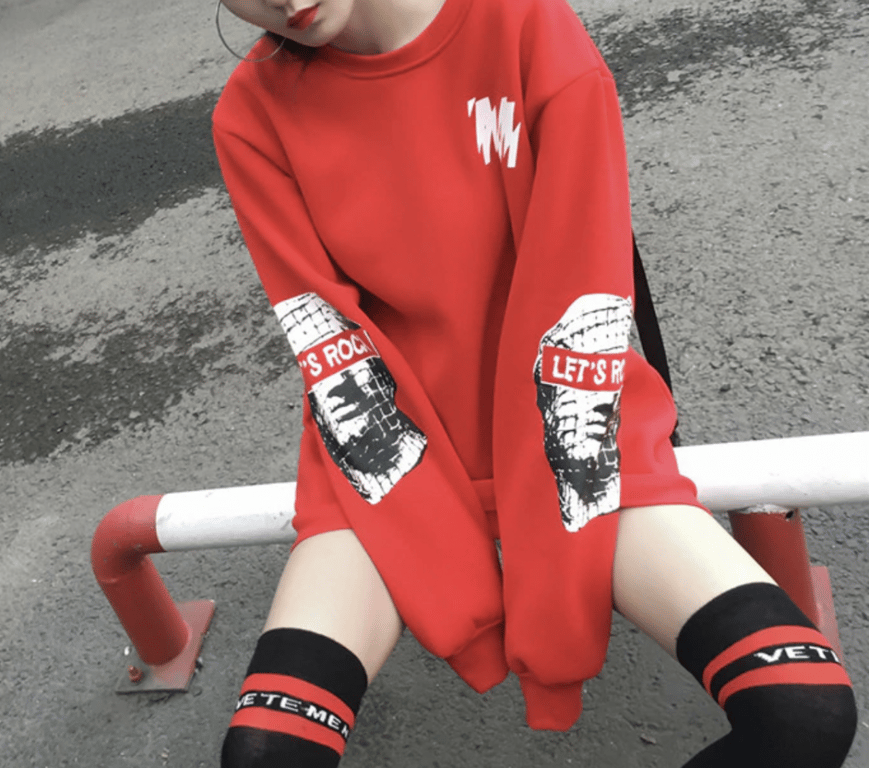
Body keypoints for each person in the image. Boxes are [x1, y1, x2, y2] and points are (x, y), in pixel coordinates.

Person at [210, 0, 858, 765]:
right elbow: (331, 342)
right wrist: (453, 580)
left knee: (804, 713)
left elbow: (574, 295)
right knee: (265, 755)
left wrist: (546, 586)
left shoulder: (522, 27)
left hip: (577, 430)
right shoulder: (250, 115)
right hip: (391, 456)